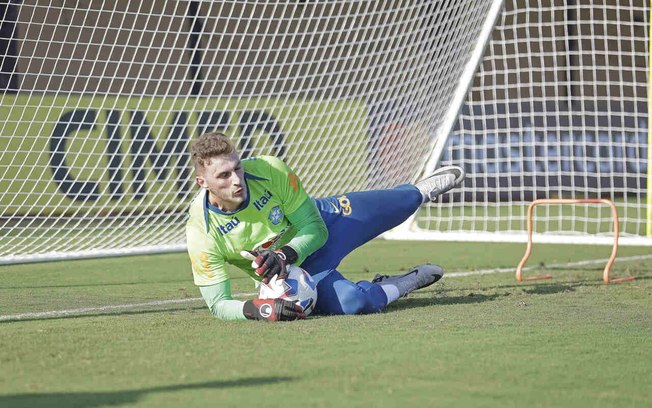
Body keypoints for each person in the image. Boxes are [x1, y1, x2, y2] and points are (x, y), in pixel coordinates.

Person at [186, 131, 465, 321]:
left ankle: (419, 191)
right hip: (298, 272)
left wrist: (284, 253)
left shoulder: (270, 169)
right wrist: (258, 309)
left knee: (400, 203)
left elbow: (315, 229)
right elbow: (218, 304)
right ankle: (403, 284)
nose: (236, 180)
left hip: (322, 222)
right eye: (223, 175)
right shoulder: (202, 232)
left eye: (237, 168)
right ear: (203, 182)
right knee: (356, 303)